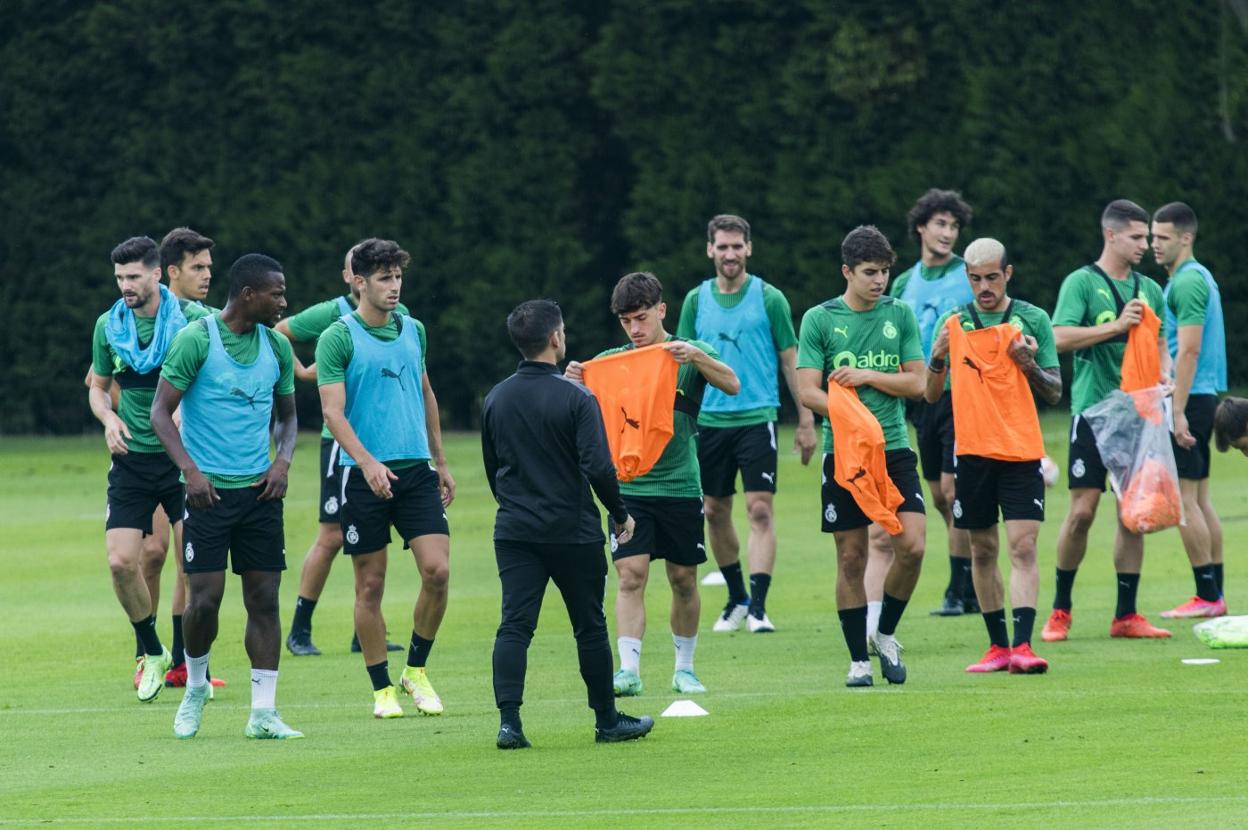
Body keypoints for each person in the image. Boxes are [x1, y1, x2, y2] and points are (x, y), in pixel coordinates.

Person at [482, 299, 654, 748]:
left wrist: (517, 505)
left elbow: (491, 468)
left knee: (515, 625)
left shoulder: (496, 397)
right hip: (572, 530)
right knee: (590, 624)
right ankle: (607, 720)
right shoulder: (577, 397)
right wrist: (619, 514)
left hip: (516, 530)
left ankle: (509, 724)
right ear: (556, 338)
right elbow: (598, 466)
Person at [152, 253, 302, 739]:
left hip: (260, 494)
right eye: (276, 293)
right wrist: (190, 473)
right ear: (248, 295)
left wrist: (282, 462)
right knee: (205, 602)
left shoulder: (276, 350)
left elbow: (289, 416)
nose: (284, 301)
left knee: (264, 600)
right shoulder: (197, 340)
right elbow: (160, 413)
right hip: (206, 496)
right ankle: (195, 687)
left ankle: (264, 713)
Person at [567, 272, 739, 696]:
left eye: (642, 318)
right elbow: (573, 410)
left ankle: (685, 668)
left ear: (662, 310)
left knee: (683, 579)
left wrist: (695, 357)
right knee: (630, 576)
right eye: (627, 322)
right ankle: (628, 671)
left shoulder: (688, 354)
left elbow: (732, 384)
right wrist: (572, 382)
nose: (636, 329)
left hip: (681, 486)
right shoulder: (612, 361)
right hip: (628, 489)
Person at [315, 238, 453, 719]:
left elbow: (427, 393)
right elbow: (332, 414)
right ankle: (381, 691)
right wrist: (368, 463)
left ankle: (415, 670)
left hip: (415, 472)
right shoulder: (338, 337)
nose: (394, 287)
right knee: (369, 587)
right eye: (384, 278)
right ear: (359, 281)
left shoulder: (413, 329)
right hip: (361, 476)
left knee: (437, 572)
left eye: (398, 277)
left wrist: (440, 461)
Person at [796, 226, 927, 687]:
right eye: (870, 272)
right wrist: (852, 417)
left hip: (893, 450)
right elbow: (808, 390)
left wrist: (868, 376)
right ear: (847, 271)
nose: (880, 281)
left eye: (886, 271)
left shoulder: (901, 314)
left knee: (911, 546)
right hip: (845, 455)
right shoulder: (819, 318)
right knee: (850, 557)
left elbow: (919, 383)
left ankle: (885, 633)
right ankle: (858, 661)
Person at [925, 238, 1062, 673]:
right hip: (972, 453)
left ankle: (1023, 646)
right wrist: (936, 358)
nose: (983, 286)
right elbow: (929, 396)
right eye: (975, 278)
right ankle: (997, 647)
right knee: (982, 550)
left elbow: (1055, 391)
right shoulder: (953, 324)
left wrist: (1028, 365)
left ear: (1008, 273)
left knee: (1023, 546)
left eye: (991, 277)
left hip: (1021, 451)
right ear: (967, 276)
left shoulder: (1032, 319)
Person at [675, 214, 816, 633]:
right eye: (723, 246)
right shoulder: (695, 301)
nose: (730, 254)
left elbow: (792, 361)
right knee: (714, 510)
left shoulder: (769, 298)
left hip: (758, 417)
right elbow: (677, 364)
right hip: (710, 423)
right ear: (710, 250)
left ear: (749, 249)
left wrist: (806, 419)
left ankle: (758, 605)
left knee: (759, 509)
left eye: (738, 246)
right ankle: (736, 596)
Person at [1042, 199, 1172, 642]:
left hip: (1138, 417)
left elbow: (1159, 345)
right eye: (1137, 237)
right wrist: (1115, 327)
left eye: (1148, 237)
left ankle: (1126, 615)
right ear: (1111, 235)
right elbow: (1058, 338)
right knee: (1081, 512)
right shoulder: (1081, 282)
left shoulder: (1149, 289)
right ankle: (1060, 609)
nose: (1145, 245)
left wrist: (1165, 378)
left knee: (1134, 516)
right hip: (1093, 415)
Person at [89, 236, 207, 701]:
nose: (125, 286)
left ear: (158, 275)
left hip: (184, 461)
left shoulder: (195, 322)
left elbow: (222, 369)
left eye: (134, 276)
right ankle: (152, 650)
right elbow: (97, 386)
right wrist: (108, 416)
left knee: (195, 569)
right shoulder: (109, 325)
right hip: (132, 461)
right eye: (119, 278)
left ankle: (192, 666)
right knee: (121, 562)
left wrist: (189, 408)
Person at [277, 244, 408, 656]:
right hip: (342, 446)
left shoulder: (398, 318)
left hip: (385, 444)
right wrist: (302, 371)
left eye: (392, 274)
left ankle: (364, 630)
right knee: (331, 536)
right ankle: (300, 629)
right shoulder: (331, 314)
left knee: (373, 538)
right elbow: (279, 333)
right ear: (351, 276)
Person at [883, 189, 976, 621]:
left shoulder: (970, 274)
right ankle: (972, 575)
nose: (947, 233)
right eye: (940, 224)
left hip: (964, 393)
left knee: (954, 490)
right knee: (939, 495)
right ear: (921, 227)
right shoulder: (903, 283)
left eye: (954, 226)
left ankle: (959, 590)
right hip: (923, 397)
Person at [1152, 203, 1228, 616]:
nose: (1154, 245)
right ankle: (1216, 593)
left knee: (1184, 502)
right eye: (1152, 237)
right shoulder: (1199, 278)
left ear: (1186, 238)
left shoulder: (1186, 282)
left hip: (1191, 398)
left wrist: (1177, 410)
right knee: (1199, 499)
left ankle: (1207, 596)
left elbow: (1191, 348)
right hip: (1201, 395)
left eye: (1163, 238)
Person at [154, 226, 221, 688]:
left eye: (209, 268)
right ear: (172, 271)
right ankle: (148, 651)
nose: (206, 275)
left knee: (186, 561)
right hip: (147, 455)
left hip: (189, 458)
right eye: (197, 267)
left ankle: (183, 662)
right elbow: (107, 379)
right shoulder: (142, 314)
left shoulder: (211, 320)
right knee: (148, 556)